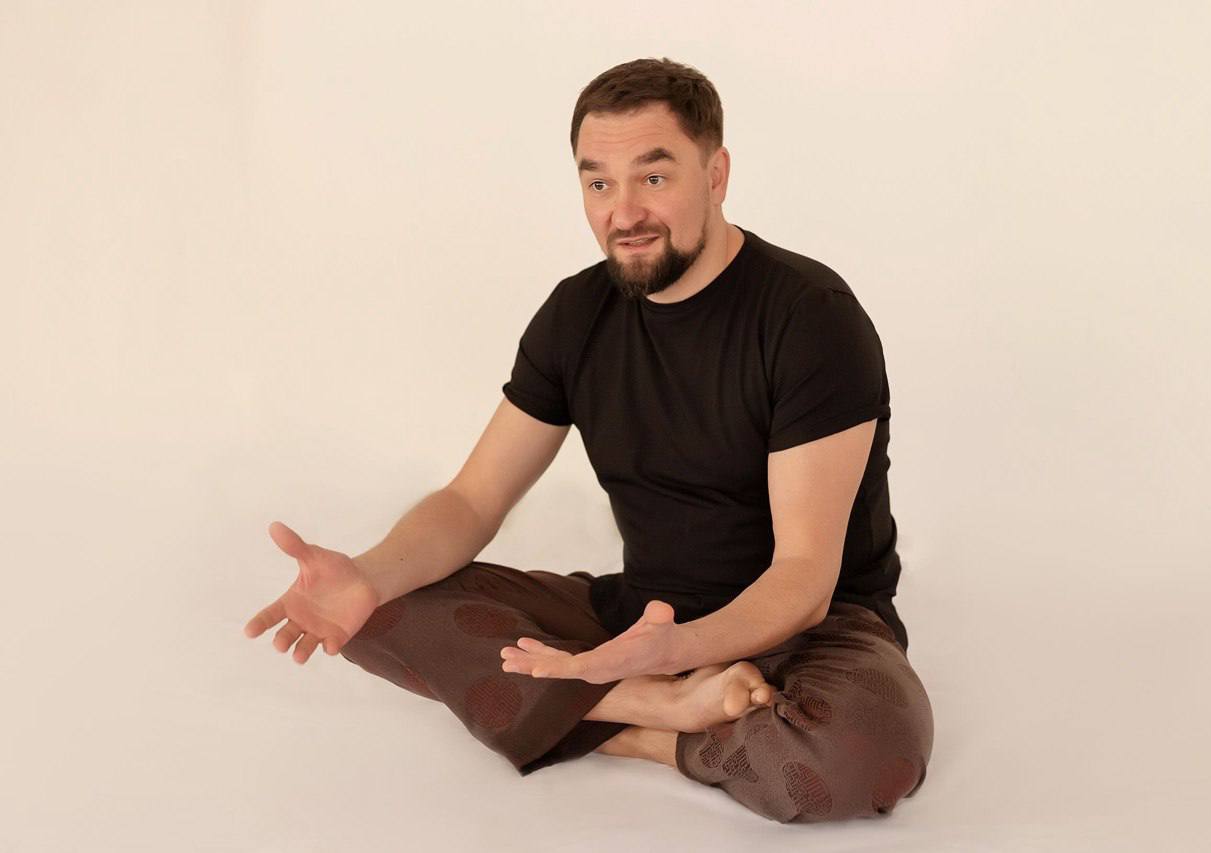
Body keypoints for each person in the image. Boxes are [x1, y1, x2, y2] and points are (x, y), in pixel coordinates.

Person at [243, 57, 933, 824]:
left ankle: (612, 722)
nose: (623, 211)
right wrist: (367, 574)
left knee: (861, 753)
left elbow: (803, 578)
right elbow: (472, 499)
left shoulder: (811, 318)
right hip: (639, 617)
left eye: (653, 177)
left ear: (717, 174)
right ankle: (655, 712)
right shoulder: (575, 316)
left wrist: (674, 651)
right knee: (373, 608)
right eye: (598, 183)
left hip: (809, 630)